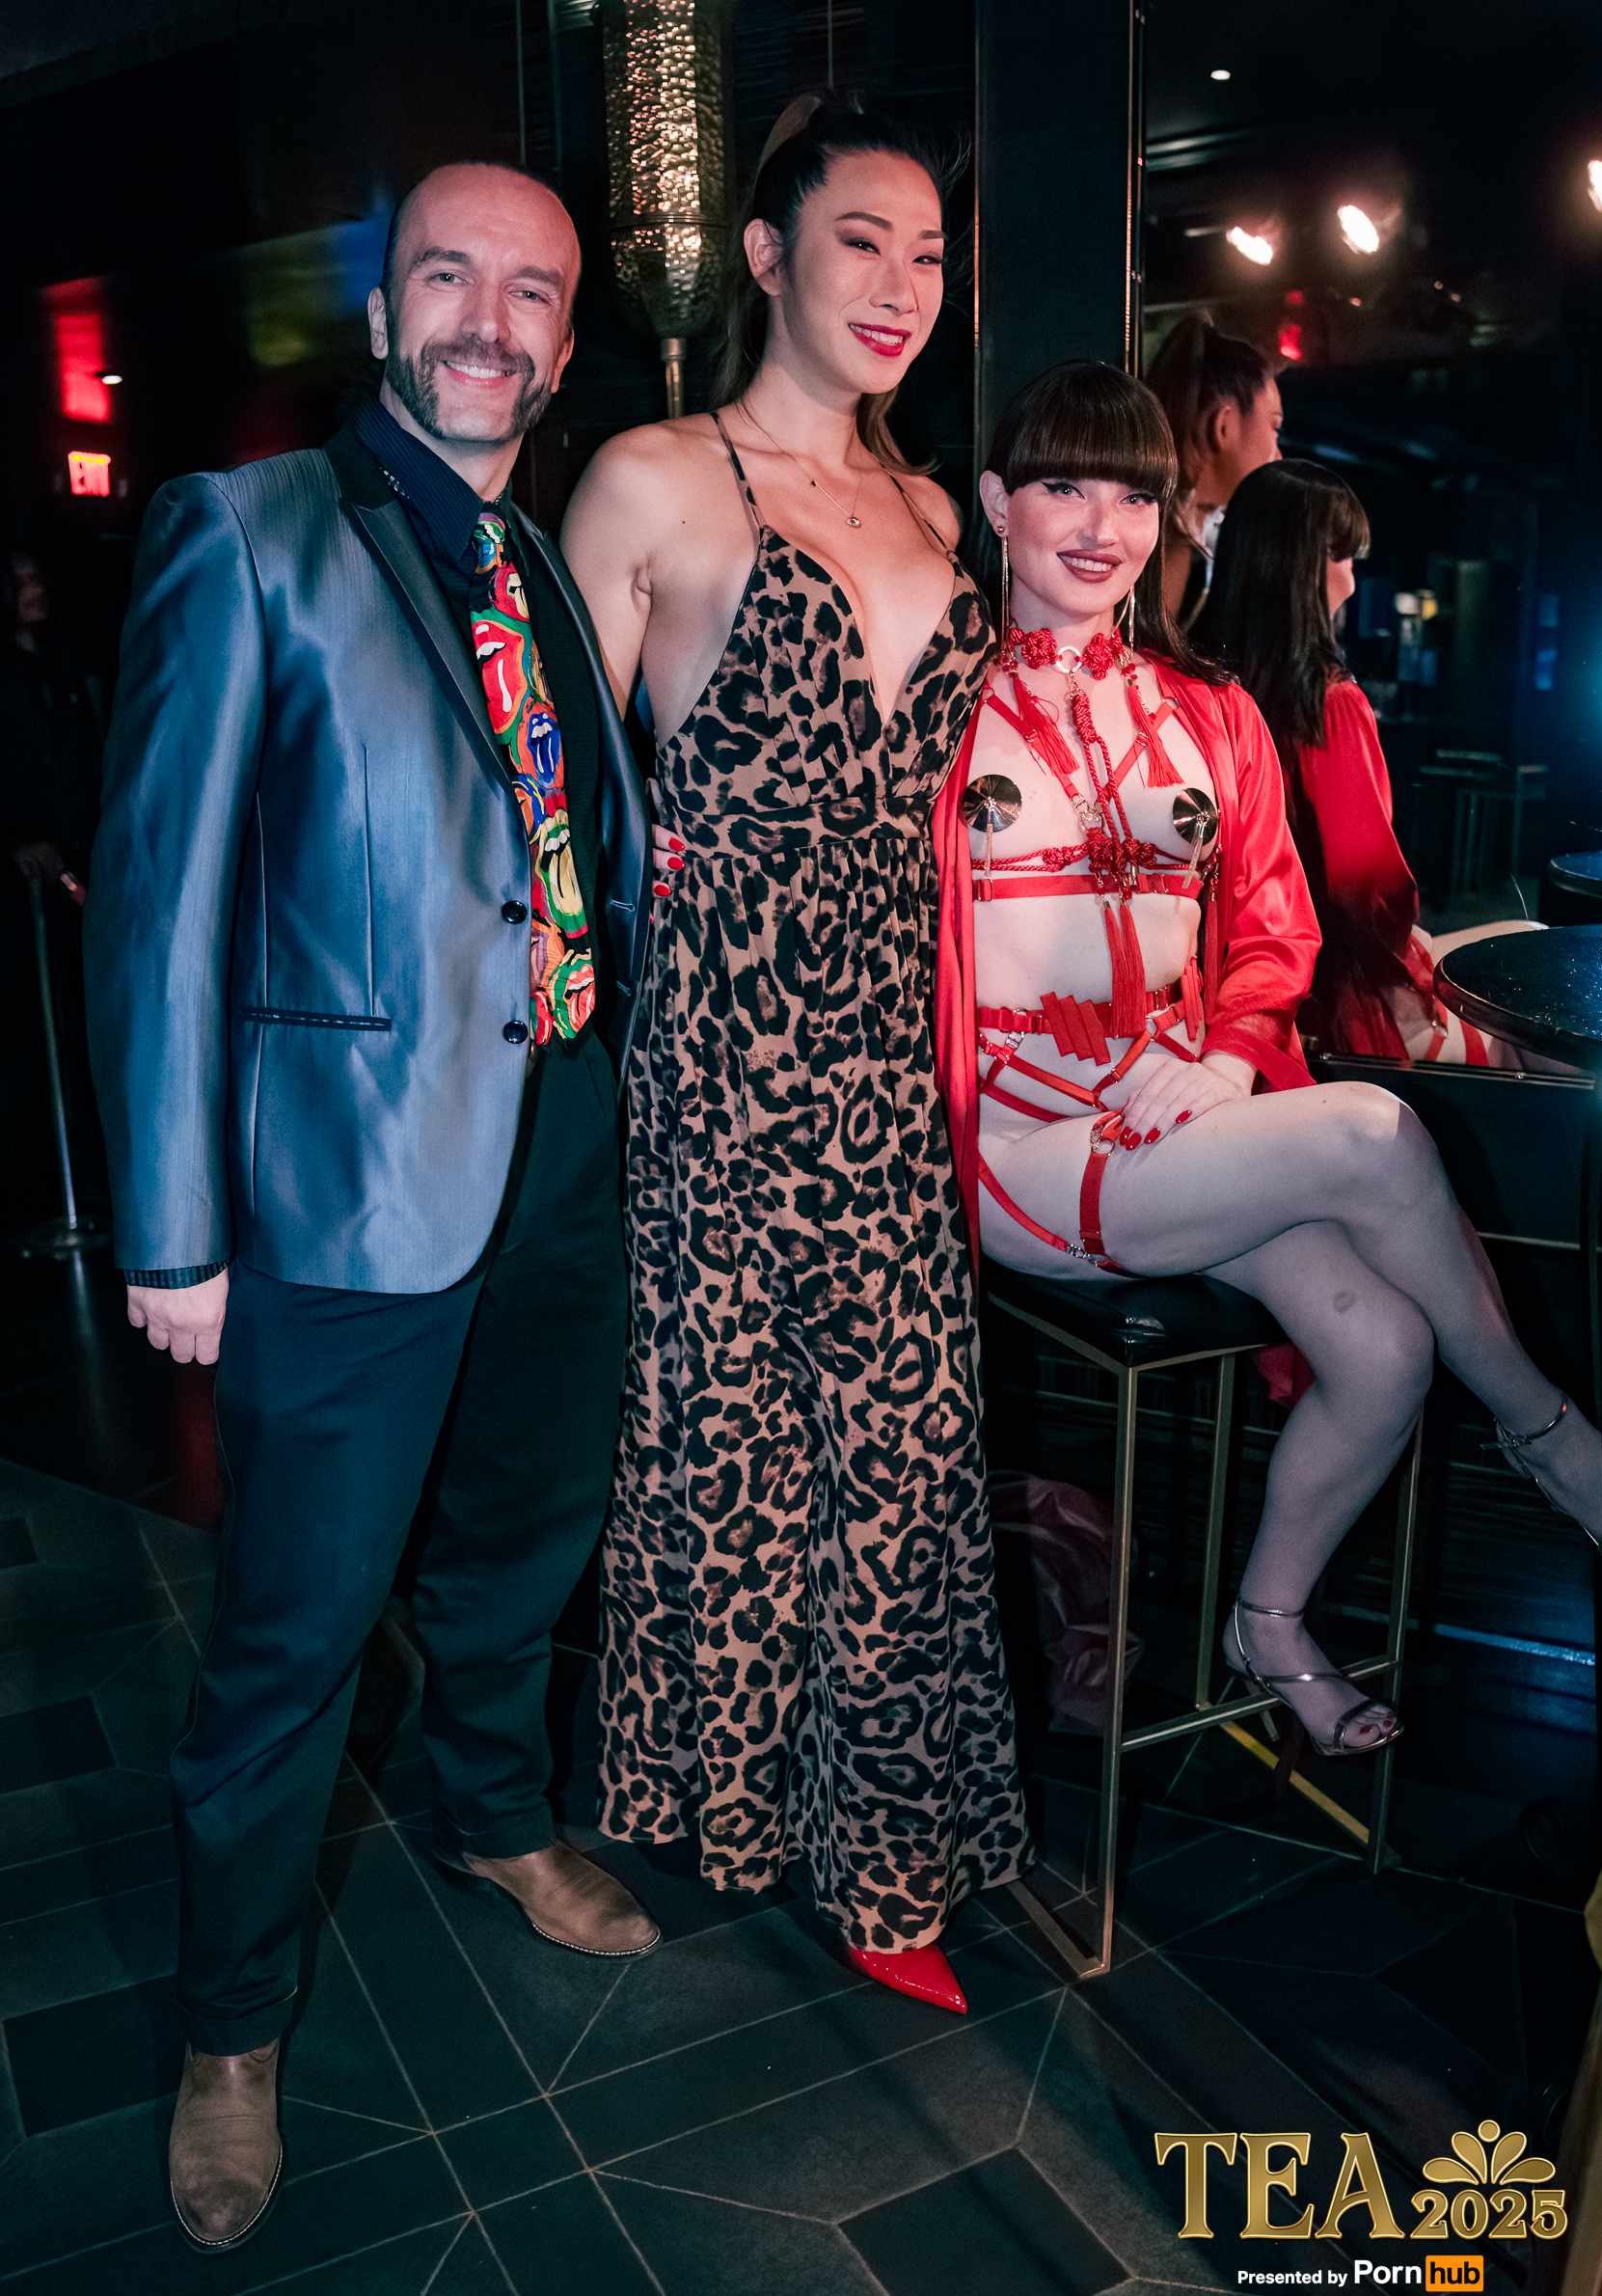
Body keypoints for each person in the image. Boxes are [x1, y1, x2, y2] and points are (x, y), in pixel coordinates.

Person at [85, 160, 656, 2256]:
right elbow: (155, 904)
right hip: (342, 1189)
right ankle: (231, 2027)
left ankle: (492, 1811)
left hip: (566, 1141)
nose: (489, 321)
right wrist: (172, 1232)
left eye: (532, 291)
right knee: (294, 1629)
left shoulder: (540, 561)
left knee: (522, 1539)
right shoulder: (248, 533)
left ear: (567, 335)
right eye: (449, 277)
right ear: (384, 307)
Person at [932, 359, 1602, 1769]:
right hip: (1012, 1143)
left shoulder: (1210, 710)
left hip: (1180, 1124)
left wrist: (1229, 1054)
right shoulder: (931, 707)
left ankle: (1270, 1623)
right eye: (1062, 486)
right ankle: (1549, 1434)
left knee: (1383, 1348)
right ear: (994, 501)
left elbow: (1276, 925)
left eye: (1133, 496)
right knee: (1371, 1134)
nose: (1100, 526)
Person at [560, 93, 1029, 2018]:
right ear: (765, 256)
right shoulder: (655, 480)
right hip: (719, 1053)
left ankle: (882, 1857)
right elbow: (550, 815)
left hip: (890, 1056)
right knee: (737, 1450)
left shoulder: (932, 511)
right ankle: (733, 1811)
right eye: (862, 241)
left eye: (929, 254)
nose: (902, 284)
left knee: (904, 1457)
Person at [1194, 458, 1521, 1065]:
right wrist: (1404, 957)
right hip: (1328, 995)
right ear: (1304, 566)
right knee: (1528, 997)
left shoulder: (1190, 687)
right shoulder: (1329, 704)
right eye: (1343, 557)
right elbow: (1366, 892)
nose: (1351, 579)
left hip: (1223, 988)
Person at [0, 550, 106, 1222]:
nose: (33, 589)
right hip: (22, 897)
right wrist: (16, 842)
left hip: (75, 877)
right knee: (29, 1035)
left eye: (40, 577)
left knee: (78, 1022)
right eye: (20, 581)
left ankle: (82, 1177)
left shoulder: (63, 673)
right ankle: (36, 1188)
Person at [1146, 311, 1283, 626]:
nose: (1278, 456)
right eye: (1274, 427)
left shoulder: (1164, 530)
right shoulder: (1174, 548)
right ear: (1222, 427)